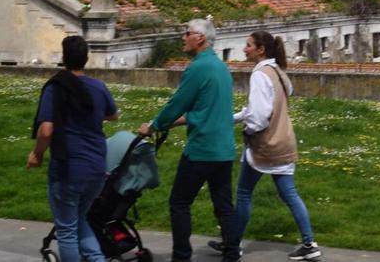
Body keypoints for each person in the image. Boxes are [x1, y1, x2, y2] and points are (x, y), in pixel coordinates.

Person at [209, 31, 322, 261]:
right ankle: (310, 243)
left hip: (265, 145)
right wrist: (234, 117)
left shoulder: (260, 74)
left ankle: (233, 244)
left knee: (243, 194)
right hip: (284, 142)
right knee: (290, 194)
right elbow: (269, 104)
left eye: (248, 45)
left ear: (260, 49)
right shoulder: (278, 71)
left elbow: (259, 117)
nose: (244, 49)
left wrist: (248, 130)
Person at [137, 18, 241, 262]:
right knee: (224, 205)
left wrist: (154, 125)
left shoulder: (198, 67)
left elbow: (178, 102)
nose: (183, 37)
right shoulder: (219, 66)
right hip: (223, 148)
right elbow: (206, 109)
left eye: (187, 33)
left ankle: (181, 256)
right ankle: (232, 254)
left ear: (200, 38)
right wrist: (176, 122)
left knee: (179, 202)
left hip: (202, 149)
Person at [27, 35, 119, 262]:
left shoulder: (56, 87)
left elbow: (46, 130)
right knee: (79, 219)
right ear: (86, 59)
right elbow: (113, 115)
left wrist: (37, 154)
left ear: (63, 58)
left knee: (67, 228)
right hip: (96, 168)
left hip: (68, 168)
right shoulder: (98, 87)